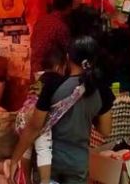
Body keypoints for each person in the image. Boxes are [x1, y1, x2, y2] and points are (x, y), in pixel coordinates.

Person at [9, 36, 115, 184]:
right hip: (78, 163)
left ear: (68, 58)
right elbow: (105, 130)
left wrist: (15, 158)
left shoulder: (52, 84)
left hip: (49, 163)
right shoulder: (102, 91)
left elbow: (34, 127)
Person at [14, 49, 67, 184]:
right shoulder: (56, 79)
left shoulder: (40, 79)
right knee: (44, 149)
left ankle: (24, 178)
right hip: (35, 118)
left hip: (21, 116)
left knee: (27, 148)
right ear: (58, 67)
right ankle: (45, 181)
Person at [30, 0, 74, 75]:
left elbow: (33, 41)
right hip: (48, 74)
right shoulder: (61, 27)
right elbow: (69, 52)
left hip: (34, 71)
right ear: (68, 7)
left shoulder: (41, 21)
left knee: (36, 88)